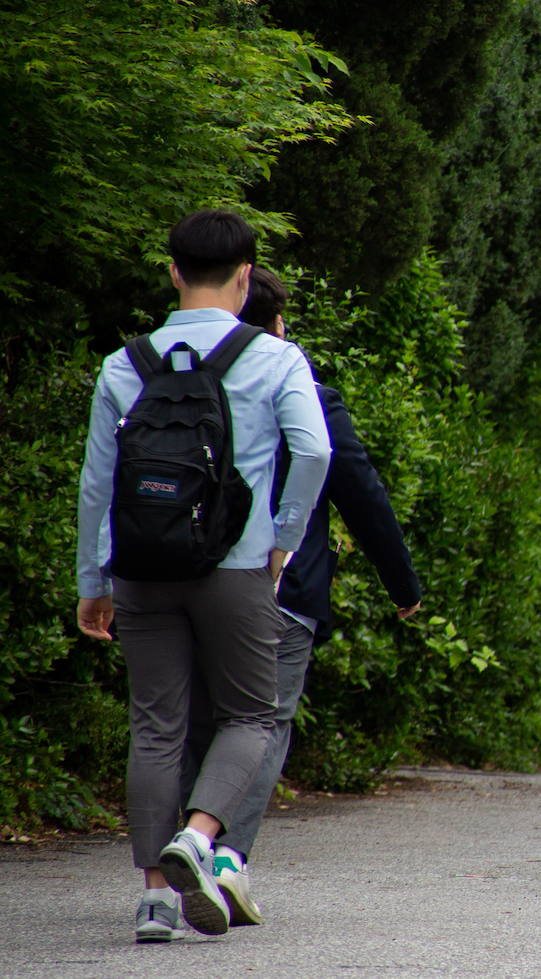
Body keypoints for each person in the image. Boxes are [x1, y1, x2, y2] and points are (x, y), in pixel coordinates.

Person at [75, 211, 330, 942]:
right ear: (247, 278)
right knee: (252, 713)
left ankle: (154, 898)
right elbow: (312, 453)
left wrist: (93, 578)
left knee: (156, 724)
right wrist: (282, 539)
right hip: (238, 566)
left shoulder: (126, 363)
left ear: (173, 272)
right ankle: (199, 833)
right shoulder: (276, 359)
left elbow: (98, 482)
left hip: (141, 567)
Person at [186, 267, 423, 926]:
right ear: (281, 326)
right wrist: (402, 585)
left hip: (183, 578)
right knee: (263, 722)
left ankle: (176, 856)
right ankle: (223, 856)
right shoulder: (306, 391)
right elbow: (360, 489)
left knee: (195, 722)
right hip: (278, 586)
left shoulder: (183, 384)